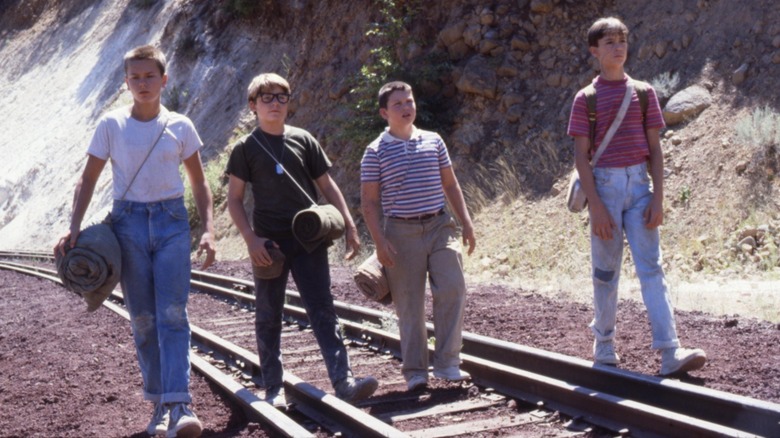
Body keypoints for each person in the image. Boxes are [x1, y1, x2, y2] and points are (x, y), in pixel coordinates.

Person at [55, 45, 215, 438]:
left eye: (150, 76)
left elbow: (199, 182)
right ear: (125, 82)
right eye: (135, 77)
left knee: (173, 315)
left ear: (164, 80)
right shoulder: (110, 125)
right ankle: (160, 407)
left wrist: (209, 229)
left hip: (172, 223)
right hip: (127, 224)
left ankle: (180, 405)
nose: (142, 83)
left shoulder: (181, 125)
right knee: (143, 320)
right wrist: (74, 225)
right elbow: (87, 179)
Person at [225, 73, 378, 407]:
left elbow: (327, 185)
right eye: (267, 97)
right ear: (253, 105)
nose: (276, 103)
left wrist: (350, 225)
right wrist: (251, 240)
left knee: (322, 309)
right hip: (269, 246)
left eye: (282, 97)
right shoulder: (245, 149)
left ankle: (344, 382)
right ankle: (274, 388)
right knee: (268, 314)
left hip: (309, 239)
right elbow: (234, 200)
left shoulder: (304, 139)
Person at [567, 17, 706, 376]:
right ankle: (604, 346)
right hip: (605, 189)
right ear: (594, 51)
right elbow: (581, 156)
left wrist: (658, 198)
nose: (618, 47)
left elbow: (655, 151)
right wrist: (596, 207)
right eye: (609, 42)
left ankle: (669, 351)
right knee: (605, 272)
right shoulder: (586, 99)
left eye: (622, 41)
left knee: (652, 269)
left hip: (639, 187)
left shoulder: (643, 93)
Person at [360, 81, 476, 392]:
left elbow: (450, 185)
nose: (406, 107)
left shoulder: (434, 141)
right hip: (401, 233)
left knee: (453, 287)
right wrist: (379, 242)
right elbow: (369, 203)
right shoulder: (375, 152)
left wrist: (465, 221)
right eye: (397, 104)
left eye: (409, 100)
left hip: (440, 226)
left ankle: (449, 363)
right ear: (385, 112)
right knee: (409, 305)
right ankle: (415, 372)